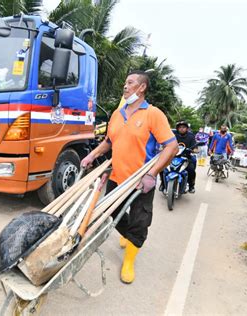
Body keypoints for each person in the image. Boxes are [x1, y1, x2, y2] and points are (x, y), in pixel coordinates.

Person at [81, 71, 178, 284]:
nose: (125, 86)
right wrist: (92, 155)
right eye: (125, 83)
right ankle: (128, 234)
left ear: (142, 87)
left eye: (130, 83)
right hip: (117, 176)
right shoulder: (117, 114)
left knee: (140, 220)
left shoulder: (153, 114)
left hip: (141, 181)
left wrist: (152, 174)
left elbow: (172, 146)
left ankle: (128, 262)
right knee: (112, 212)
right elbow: (109, 141)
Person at [159, 121, 197, 193]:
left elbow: (195, 147)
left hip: (186, 157)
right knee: (161, 167)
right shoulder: (172, 135)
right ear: (177, 128)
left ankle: (191, 186)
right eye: (180, 127)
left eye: (183, 127)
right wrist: (163, 147)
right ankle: (163, 184)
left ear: (187, 128)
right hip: (172, 156)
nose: (182, 129)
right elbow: (165, 143)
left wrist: (195, 150)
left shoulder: (191, 136)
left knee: (191, 169)